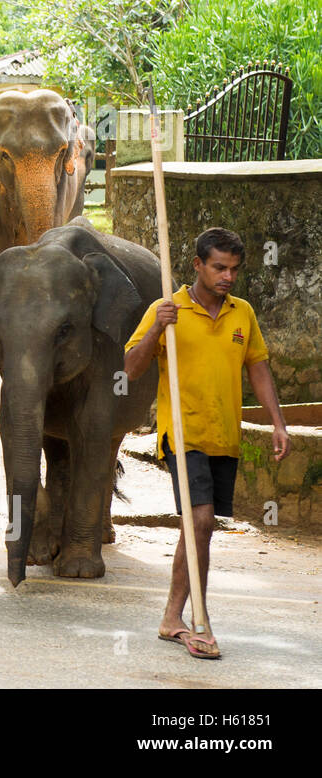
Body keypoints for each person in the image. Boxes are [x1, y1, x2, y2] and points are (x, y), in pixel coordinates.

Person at [124, 227, 290, 660]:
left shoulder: (242, 314)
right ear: (197, 264)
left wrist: (278, 423)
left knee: (200, 530)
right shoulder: (168, 308)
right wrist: (157, 330)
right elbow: (132, 368)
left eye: (234, 269)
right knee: (199, 523)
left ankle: (170, 617)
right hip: (183, 433)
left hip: (224, 437)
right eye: (219, 267)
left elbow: (258, 368)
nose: (228, 276)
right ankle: (198, 617)